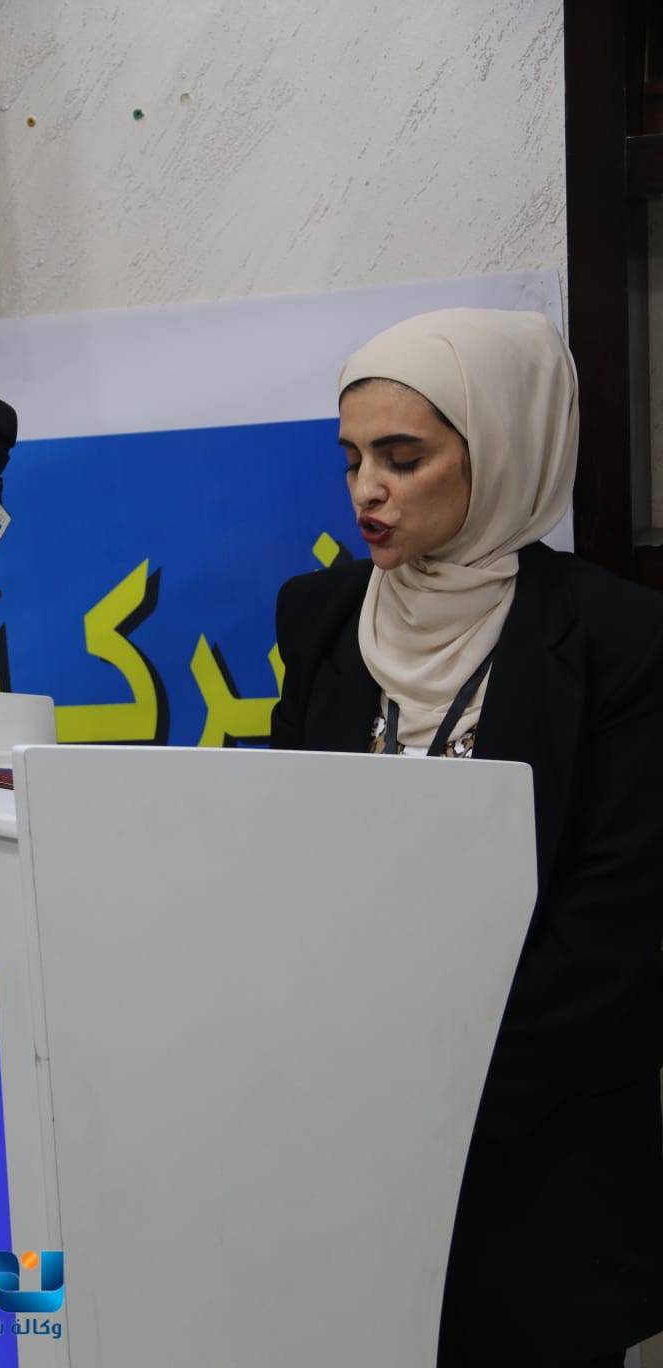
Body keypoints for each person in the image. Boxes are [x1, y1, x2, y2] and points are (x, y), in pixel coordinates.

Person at [270, 308, 663, 1368]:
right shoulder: (318, 616)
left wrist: (433, 1087)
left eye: (403, 459)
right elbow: (275, 852)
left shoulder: (618, 641)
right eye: (352, 459)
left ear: (501, 452)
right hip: (338, 1132)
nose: (367, 490)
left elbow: (609, 937)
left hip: (534, 1152)